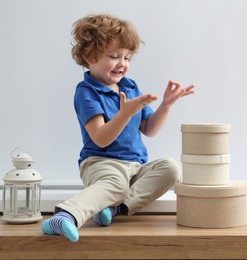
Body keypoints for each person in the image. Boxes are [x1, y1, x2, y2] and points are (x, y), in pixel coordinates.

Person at [41, 13, 194, 242]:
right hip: (102, 163)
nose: (122, 63)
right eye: (114, 56)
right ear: (89, 56)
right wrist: (124, 114)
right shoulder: (87, 92)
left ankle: (112, 209)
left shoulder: (129, 86)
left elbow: (149, 128)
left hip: (134, 167)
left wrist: (166, 105)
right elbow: (101, 138)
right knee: (115, 184)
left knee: (171, 168)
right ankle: (65, 216)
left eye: (127, 57)